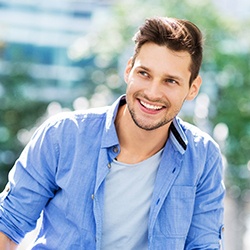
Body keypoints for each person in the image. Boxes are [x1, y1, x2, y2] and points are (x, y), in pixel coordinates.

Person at [0, 16, 225, 249]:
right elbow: (7, 224)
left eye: (170, 81)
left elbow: (203, 244)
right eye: (144, 74)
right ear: (129, 70)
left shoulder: (203, 157)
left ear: (193, 89)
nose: (152, 92)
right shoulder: (63, 135)